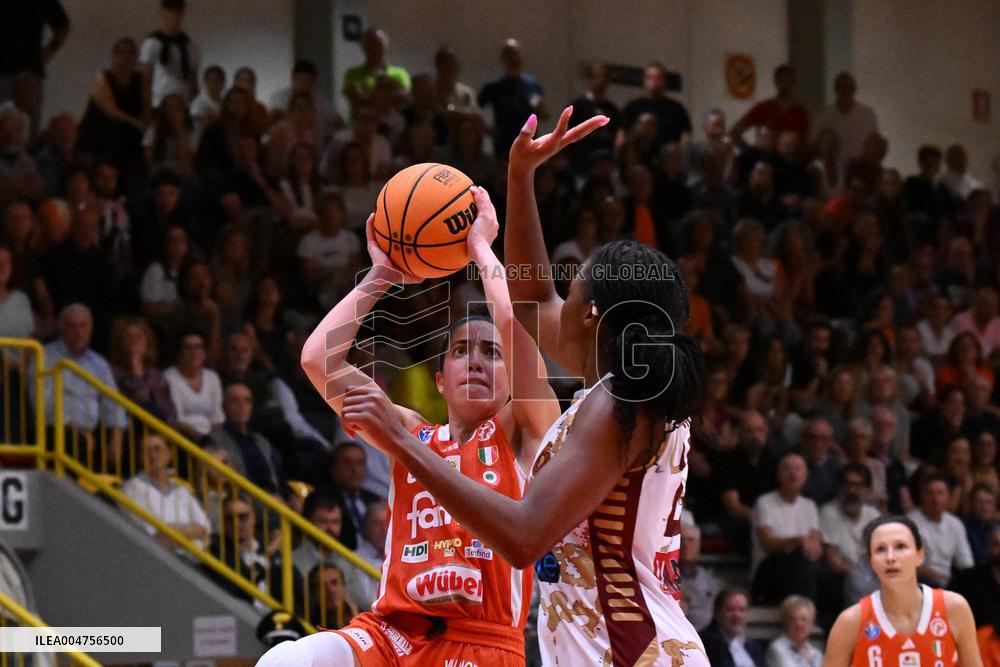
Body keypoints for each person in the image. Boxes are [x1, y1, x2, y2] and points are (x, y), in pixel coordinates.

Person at [335, 108, 709, 666]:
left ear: (593, 317)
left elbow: (523, 534)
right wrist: (520, 175)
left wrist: (403, 441)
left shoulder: (616, 405)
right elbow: (532, 297)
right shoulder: (632, 392)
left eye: (573, 288)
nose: (559, 297)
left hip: (627, 655)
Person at [258, 185, 560, 666]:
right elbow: (318, 359)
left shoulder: (523, 432)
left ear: (512, 378)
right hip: (391, 633)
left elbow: (512, 320)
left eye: (491, 353)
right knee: (285, 661)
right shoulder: (413, 434)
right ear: (439, 380)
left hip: (480, 642)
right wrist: (380, 277)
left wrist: (481, 247)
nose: (476, 361)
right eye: (462, 351)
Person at [822, 516, 983, 667]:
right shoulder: (850, 622)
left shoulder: (954, 608)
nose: (890, 557)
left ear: (920, 555)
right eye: (880, 549)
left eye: (900, 546)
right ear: (871, 561)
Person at [122, 433, 210, 549]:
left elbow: (205, 528)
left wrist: (176, 532)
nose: (152, 455)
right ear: (140, 457)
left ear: (169, 454)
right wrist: (190, 532)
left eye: (157, 449)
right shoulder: (132, 488)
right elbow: (154, 534)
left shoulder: (182, 490)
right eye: (146, 451)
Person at [478, 38, 547, 158]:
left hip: (529, 147)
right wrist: (488, 130)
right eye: (509, 54)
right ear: (503, 59)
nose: (513, 58)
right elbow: (475, 109)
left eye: (516, 53)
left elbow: (544, 115)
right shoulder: (494, 87)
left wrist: (541, 109)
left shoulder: (532, 85)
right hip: (504, 148)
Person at [139, 0, 199, 107]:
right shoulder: (152, 43)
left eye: (178, 12)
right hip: (160, 102)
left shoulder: (189, 45)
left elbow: (193, 79)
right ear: (163, 12)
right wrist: (146, 107)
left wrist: (195, 102)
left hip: (184, 102)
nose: (174, 16)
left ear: (182, 14)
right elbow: (145, 79)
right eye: (170, 11)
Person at [730, 66, 809, 146]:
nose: (786, 85)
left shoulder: (800, 111)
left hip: (793, 157)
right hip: (768, 157)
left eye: (789, 82)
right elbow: (734, 133)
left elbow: (805, 141)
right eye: (783, 81)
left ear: (794, 83)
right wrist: (752, 154)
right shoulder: (764, 108)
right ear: (776, 82)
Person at [700, 587, 766, 667]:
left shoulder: (753, 646)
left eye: (742, 610)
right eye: (730, 610)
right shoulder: (706, 643)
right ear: (717, 613)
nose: (737, 616)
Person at [767, 595, 823, 667]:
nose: (799, 624)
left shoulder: (816, 653)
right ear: (786, 622)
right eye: (793, 619)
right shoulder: (777, 649)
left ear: (811, 624)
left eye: (804, 619)